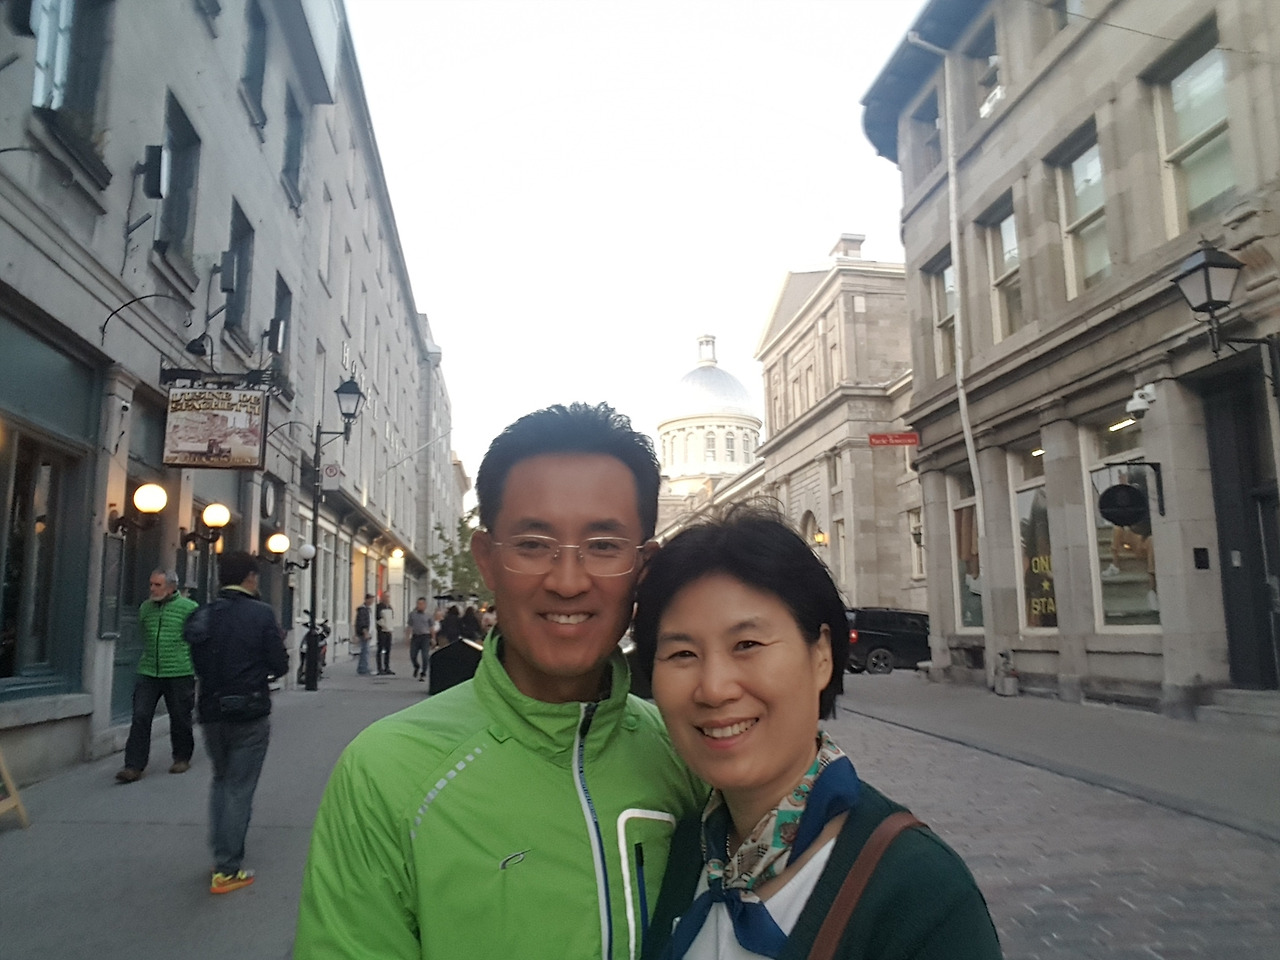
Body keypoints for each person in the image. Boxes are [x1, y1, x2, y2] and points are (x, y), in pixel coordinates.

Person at [296, 402, 706, 958]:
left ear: (644, 568)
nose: (567, 581)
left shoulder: (689, 752)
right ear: (487, 560)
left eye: (603, 547)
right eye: (533, 545)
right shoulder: (386, 773)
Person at [633, 506, 1001, 960]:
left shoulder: (920, 893)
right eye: (682, 654)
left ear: (822, 654)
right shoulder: (678, 852)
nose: (713, 688)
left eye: (747, 645)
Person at [184, 551, 289, 895]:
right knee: (239, 787)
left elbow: (197, 659)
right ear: (250, 577)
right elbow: (280, 664)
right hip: (249, 710)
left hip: (211, 711)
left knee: (221, 780)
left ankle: (221, 854)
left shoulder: (204, 614)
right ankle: (228, 868)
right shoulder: (261, 614)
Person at [115, 570, 199, 783]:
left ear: (171, 588)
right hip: (149, 670)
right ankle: (133, 765)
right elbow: (143, 633)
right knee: (140, 716)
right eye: (151, 584)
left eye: (157, 585)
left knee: (180, 716)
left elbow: (196, 639)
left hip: (179, 670)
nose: (152, 589)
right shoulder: (145, 608)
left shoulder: (189, 608)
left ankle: (181, 757)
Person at [406, 596, 433, 682]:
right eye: (418, 604)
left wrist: (433, 638)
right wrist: (408, 637)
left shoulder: (428, 615)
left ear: (425, 605)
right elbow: (409, 626)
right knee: (412, 655)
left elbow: (431, 627)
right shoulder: (412, 614)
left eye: (421, 604)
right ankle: (416, 666)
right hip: (415, 637)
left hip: (425, 637)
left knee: (425, 656)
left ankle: (423, 673)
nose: (419, 606)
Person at [354, 593, 374, 676]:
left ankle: (363, 667)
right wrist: (365, 632)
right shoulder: (363, 610)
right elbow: (362, 622)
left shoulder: (368, 610)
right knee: (365, 651)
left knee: (365, 651)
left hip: (367, 632)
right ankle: (363, 668)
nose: (372, 602)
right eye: (371, 600)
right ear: (367, 600)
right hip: (364, 633)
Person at [376, 593, 395, 675]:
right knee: (380, 649)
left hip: (389, 631)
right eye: (386, 597)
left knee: (388, 650)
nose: (388, 598)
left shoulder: (390, 607)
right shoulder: (379, 607)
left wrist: (390, 628)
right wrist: (384, 626)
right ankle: (380, 668)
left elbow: (391, 619)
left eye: (388, 597)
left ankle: (387, 667)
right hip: (382, 631)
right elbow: (378, 619)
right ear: (382, 598)